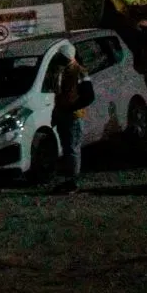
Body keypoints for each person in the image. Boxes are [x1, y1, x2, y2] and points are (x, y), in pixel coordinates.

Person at [52, 42, 88, 194]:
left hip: (72, 116)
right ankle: (69, 181)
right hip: (65, 115)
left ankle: (73, 182)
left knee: (72, 149)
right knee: (69, 149)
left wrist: (72, 107)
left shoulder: (79, 72)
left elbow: (88, 95)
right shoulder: (65, 72)